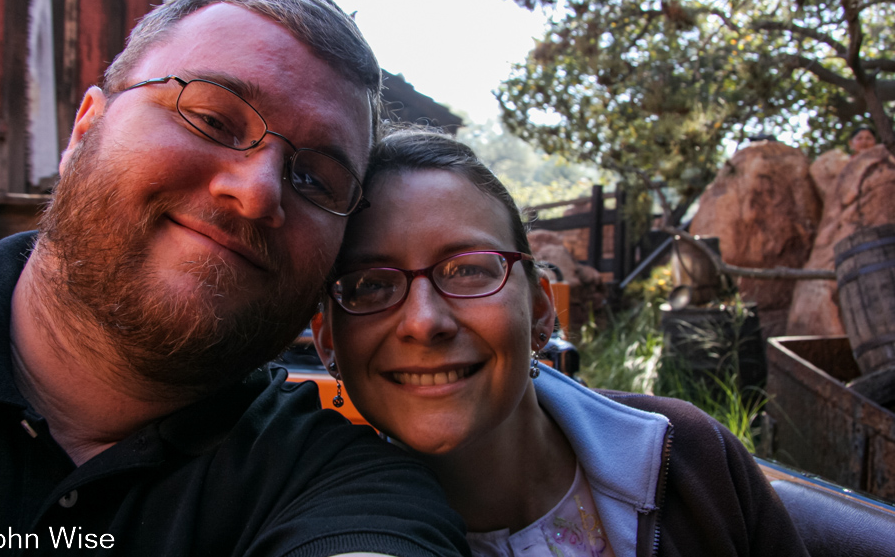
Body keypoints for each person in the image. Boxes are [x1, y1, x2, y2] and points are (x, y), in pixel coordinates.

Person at [0, 0, 467, 557]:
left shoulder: (343, 485)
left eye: (317, 179)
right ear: (85, 130)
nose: (258, 192)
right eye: (213, 120)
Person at [312, 130, 810, 557]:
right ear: (328, 340)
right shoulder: (316, 520)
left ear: (543, 310)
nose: (423, 322)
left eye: (467, 269)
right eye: (370, 284)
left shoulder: (691, 458)